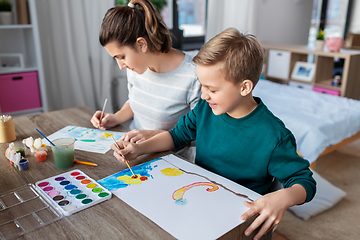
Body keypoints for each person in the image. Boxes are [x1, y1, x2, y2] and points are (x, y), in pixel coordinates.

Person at [111, 28, 316, 239]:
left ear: (244, 87)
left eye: (212, 89)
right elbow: (175, 136)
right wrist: (139, 148)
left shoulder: (274, 136)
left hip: (240, 223)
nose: (204, 95)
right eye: (202, 86)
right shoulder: (204, 109)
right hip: (198, 202)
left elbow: (305, 181)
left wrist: (282, 198)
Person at [91, 0, 201, 144]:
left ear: (141, 44)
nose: (121, 66)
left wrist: (155, 136)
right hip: (134, 150)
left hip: (171, 158)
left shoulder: (193, 75)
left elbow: (198, 132)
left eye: (122, 57)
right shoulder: (136, 67)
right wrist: (115, 118)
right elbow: (136, 102)